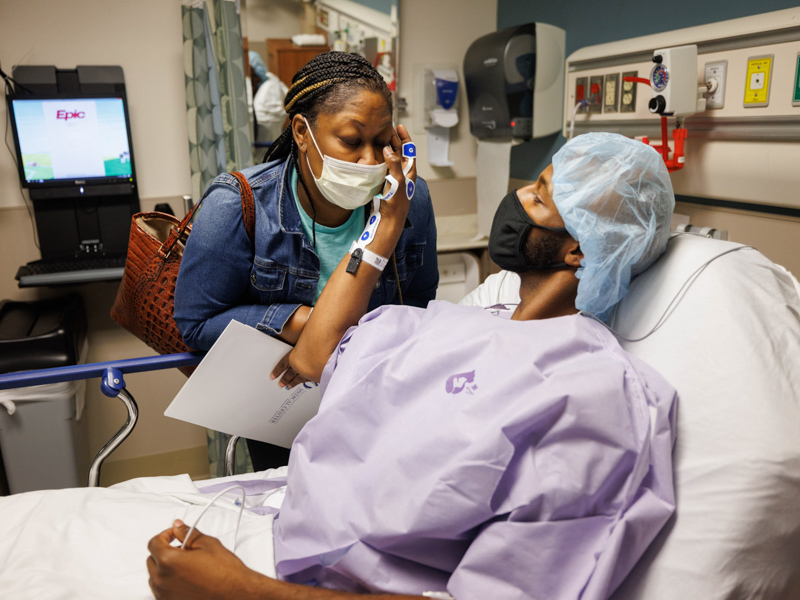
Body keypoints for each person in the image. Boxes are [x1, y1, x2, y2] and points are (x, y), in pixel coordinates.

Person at [146, 132, 678, 600]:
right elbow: (314, 356)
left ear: (579, 252)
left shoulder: (593, 392)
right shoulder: (452, 322)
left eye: (539, 198)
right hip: (276, 542)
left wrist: (242, 592)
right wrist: (387, 221)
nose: (516, 197)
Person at [174, 52, 439, 471]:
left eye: (382, 141)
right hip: (284, 413)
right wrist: (300, 321)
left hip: (375, 402)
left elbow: (421, 304)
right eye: (351, 142)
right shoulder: (238, 204)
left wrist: (392, 220)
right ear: (301, 132)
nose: (370, 161)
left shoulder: (408, 200)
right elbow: (195, 323)